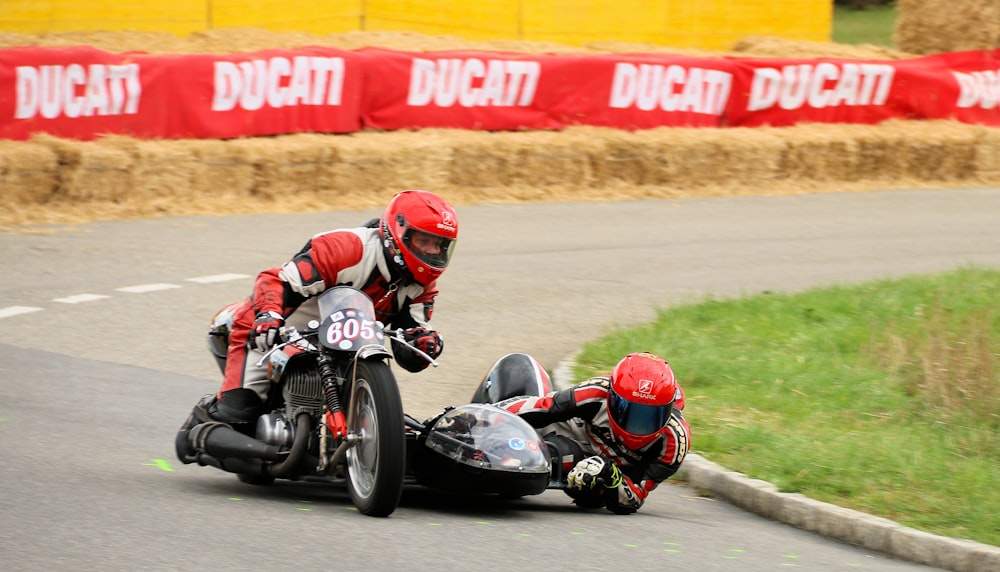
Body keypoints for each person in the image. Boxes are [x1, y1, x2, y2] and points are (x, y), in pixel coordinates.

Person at [176, 189, 459, 463]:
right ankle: (203, 421)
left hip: (345, 345)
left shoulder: (422, 286)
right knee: (240, 411)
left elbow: (409, 345)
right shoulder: (345, 249)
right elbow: (274, 281)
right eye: (425, 241)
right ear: (399, 232)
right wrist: (268, 316)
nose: (432, 252)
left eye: (439, 245)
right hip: (274, 330)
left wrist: (424, 342)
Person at [497, 351, 690, 514]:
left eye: (649, 417)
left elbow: (634, 497)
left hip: (604, 477)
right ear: (612, 396)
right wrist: (490, 415)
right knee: (521, 376)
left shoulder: (674, 441)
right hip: (578, 434)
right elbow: (544, 407)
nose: (636, 426)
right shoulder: (596, 392)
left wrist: (609, 472)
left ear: (667, 411)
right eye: (628, 411)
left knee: (570, 462)